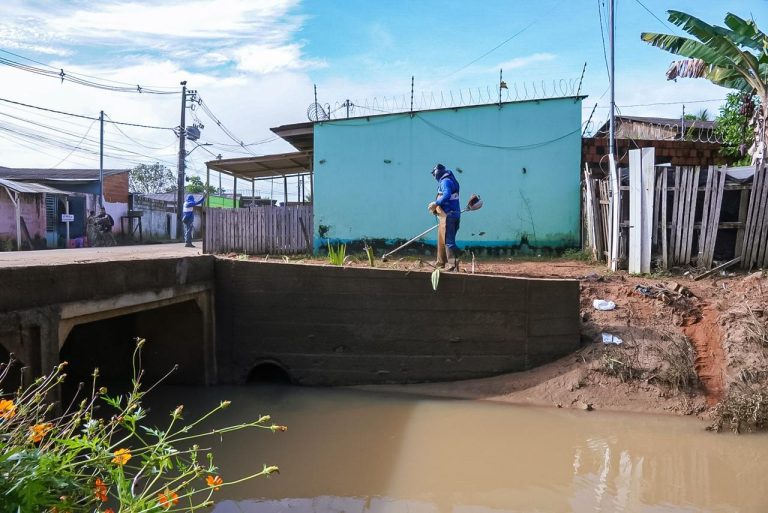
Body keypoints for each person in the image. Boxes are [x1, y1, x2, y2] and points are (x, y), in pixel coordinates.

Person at [428, 163, 462, 271]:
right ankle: (440, 263)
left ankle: (453, 265)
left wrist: (436, 203)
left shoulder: (445, 181)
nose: (433, 176)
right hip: (448, 215)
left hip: (448, 216)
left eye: (434, 174)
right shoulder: (449, 179)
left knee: (448, 241)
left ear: (437, 172)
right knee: (442, 240)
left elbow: (446, 195)